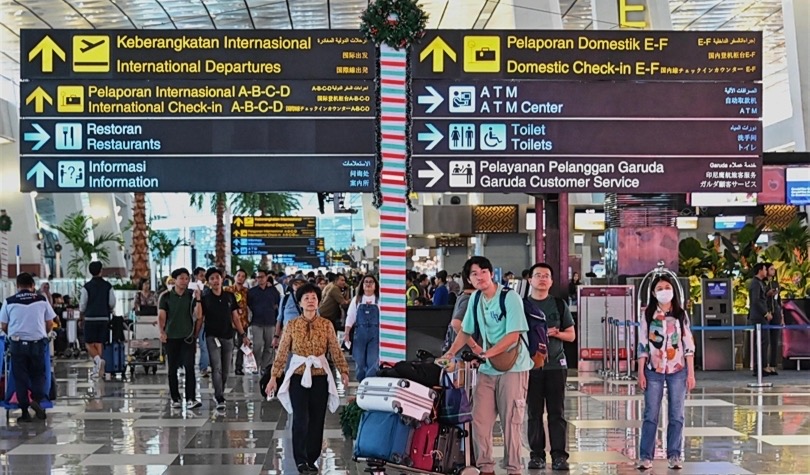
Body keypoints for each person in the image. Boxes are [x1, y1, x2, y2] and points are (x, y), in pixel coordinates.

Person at [442, 256, 532, 475]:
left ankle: (514, 469)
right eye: (474, 274)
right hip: (488, 368)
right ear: (469, 279)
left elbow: (513, 335)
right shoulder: (475, 299)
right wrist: (451, 352)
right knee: (479, 418)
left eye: (483, 271)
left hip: (514, 367)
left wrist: (486, 353)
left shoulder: (510, 298)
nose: (479, 276)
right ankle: (486, 468)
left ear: (491, 273)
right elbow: (465, 330)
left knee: (511, 422)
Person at [265, 283, 350, 474]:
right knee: (300, 419)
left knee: (317, 419)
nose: (311, 301)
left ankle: (312, 458)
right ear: (300, 303)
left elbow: (335, 349)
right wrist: (274, 376)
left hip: (320, 377)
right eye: (306, 298)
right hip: (298, 376)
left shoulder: (326, 324)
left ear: (318, 302)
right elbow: (283, 351)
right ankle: (300, 460)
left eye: (314, 298)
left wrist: (343, 370)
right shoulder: (292, 325)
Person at [637, 274, 696, 470]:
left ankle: (675, 455)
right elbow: (643, 343)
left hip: (677, 368)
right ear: (654, 293)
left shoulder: (680, 314)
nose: (664, 291)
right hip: (653, 369)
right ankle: (645, 456)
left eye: (667, 287)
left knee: (676, 414)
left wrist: (691, 373)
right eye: (660, 288)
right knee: (651, 414)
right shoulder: (647, 314)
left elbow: (688, 344)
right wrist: (641, 371)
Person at [526, 263, 575, 471]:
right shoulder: (522, 305)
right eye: (538, 275)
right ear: (530, 280)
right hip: (530, 366)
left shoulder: (559, 304)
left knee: (557, 412)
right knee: (534, 413)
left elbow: (571, 335)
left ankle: (559, 456)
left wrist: (555, 334)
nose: (542, 279)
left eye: (546, 275)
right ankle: (536, 455)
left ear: (552, 281)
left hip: (556, 365)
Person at [0, 273, 56, 423]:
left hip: (17, 344)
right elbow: (50, 323)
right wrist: (42, 333)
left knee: (20, 378)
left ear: (17, 286)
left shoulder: (9, 301)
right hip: (37, 343)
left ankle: (24, 411)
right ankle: (37, 400)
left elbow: (4, 325)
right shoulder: (41, 300)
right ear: (32, 286)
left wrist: (12, 335)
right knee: (38, 374)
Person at [200, 267, 249, 410]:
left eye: (217, 278)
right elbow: (199, 318)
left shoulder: (229, 296)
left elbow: (235, 317)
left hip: (228, 336)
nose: (215, 281)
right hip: (212, 336)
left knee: (226, 368)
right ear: (208, 282)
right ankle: (219, 396)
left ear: (222, 279)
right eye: (212, 279)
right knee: (217, 367)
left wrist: (243, 335)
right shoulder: (205, 298)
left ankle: (220, 389)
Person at [158, 268, 203, 409]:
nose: (184, 281)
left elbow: (199, 315)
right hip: (171, 337)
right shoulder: (165, 297)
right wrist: (162, 332)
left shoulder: (191, 296)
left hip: (187, 337)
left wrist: (199, 299)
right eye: (181, 278)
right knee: (172, 368)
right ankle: (175, 397)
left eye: (186, 278)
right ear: (174, 280)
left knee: (189, 366)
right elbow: (161, 316)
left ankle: (191, 398)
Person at [79, 261, 116, 378]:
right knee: (100, 342)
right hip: (104, 317)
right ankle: (100, 369)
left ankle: (98, 361)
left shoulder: (86, 287)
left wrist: (81, 316)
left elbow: (82, 305)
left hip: (90, 318)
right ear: (101, 271)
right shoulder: (108, 286)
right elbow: (112, 303)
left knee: (88, 343)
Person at [343, 275, 380, 380]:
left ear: (375, 285)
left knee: (373, 361)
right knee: (359, 362)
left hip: (375, 334)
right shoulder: (357, 300)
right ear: (362, 285)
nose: (368, 284)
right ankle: (361, 383)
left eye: (371, 282)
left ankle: (370, 384)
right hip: (359, 334)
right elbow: (350, 317)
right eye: (366, 282)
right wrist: (346, 333)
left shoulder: (379, 300)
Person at [248, 269, 281, 373]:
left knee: (269, 346)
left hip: (270, 322)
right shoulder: (252, 292)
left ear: (267, 277)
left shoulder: (273, 291)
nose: (260, 279)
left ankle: (265, 367)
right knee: (257, 345)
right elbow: (248, 306)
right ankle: (255, 365)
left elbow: (277, 305)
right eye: (258, 277)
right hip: (256, 322)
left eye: (262, 277)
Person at [441, 269, 480, 356]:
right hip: (465, 354)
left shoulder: (464, 296)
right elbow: (456, 323)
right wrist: (474, 346)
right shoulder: (468, 300)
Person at [225, 269, 250, 375]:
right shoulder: (227, 290)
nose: (240, 278)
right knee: (228, 345)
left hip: (243, 322)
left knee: (242, 345)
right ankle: (226, 365)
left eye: (243, 276)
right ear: (234, 277)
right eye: (238, 275)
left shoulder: (247, 291)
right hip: (229, 322)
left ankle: (238, 367)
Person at [747, 263, 770, 377]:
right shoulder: (755, 283)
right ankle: (759, 368)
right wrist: (765, 313)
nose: (766, 272)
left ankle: (763, 366)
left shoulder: (760, 283)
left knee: (763, 342)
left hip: (761, 317)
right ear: (760, 270)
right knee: (760, 343)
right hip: (758, 317)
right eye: (765, 269)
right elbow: (755, 301)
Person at [192, 267, 210, 377]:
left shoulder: (207, 290)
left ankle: (203, 367)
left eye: (204, 276)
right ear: (195, 276)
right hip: (189, 321)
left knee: (204, 346)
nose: (203, 278)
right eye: (201, 275)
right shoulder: (189, 289)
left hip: (203, 321)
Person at [764, 263, 782, 376]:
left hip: (776, 311)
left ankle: (773, 365)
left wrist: (781, 314)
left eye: (774, 269)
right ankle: (764, 365)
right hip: (766, 313)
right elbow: (760, 298)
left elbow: (778, 299)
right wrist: (767, 294)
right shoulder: (762, 283)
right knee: (765, 340)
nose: (773, 271)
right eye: (771, 269)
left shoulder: (775, 283)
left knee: (775, 340)